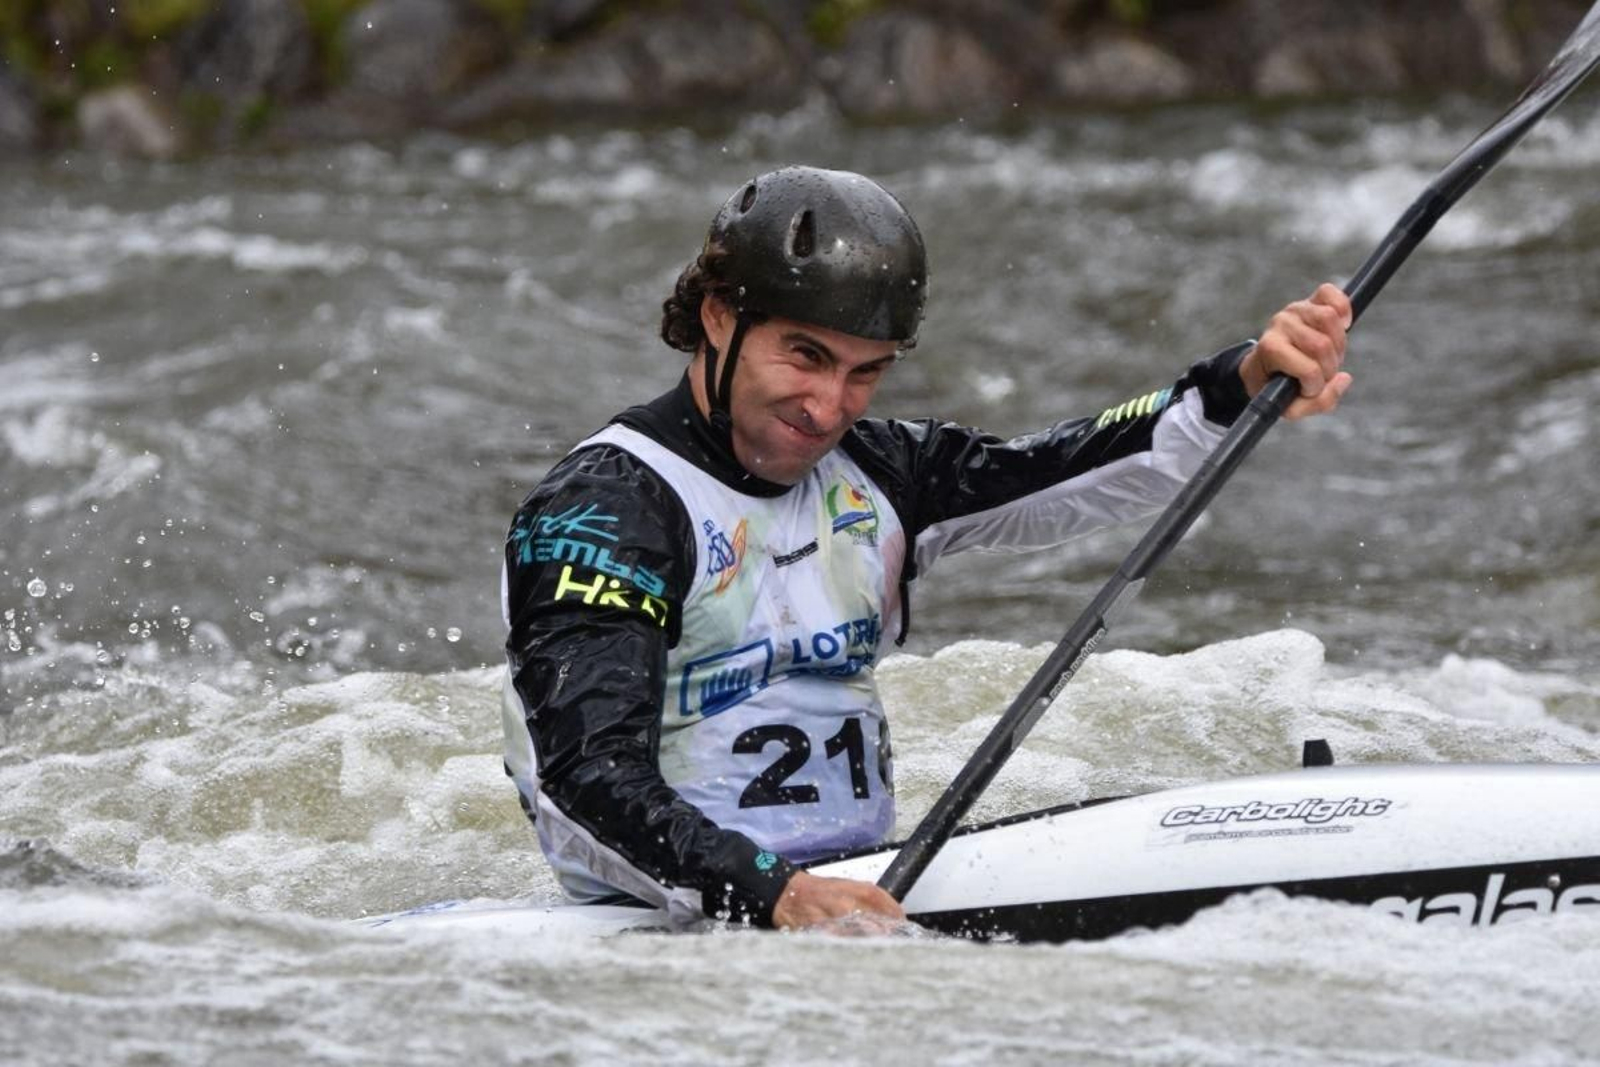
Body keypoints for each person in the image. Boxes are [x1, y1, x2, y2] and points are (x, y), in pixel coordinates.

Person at [501, 165, 1352, 931]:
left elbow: (1064, 469)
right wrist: (773, 893)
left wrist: (1240, 387)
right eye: (806, 355)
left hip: (849, 892)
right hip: (671, 917)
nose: (830, 405)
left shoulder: (877, 473)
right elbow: (585, 778)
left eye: (864, 372)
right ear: (720, 320)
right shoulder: (611, 507)